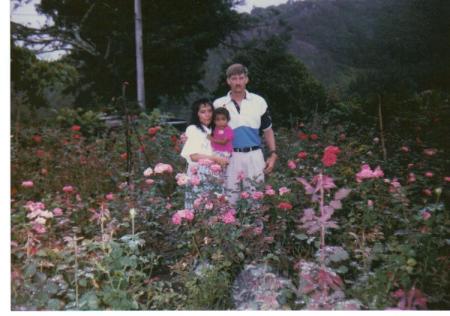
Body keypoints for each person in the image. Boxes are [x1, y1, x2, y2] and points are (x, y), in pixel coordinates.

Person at [213, 63, 277, 204]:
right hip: (229, 157)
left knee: (256, 200)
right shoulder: (218, 104)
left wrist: (273, 154)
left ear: (246, 79)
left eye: (241, 78)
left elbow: (268, 130)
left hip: (254, 156)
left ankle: (256, 227)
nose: (238, 82)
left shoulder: (259, 101)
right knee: (229, 200)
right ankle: (230, 226)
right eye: (234, 79)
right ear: (228, 81)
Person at [180, 98, 229, 209]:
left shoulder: (215, 129)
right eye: (203, 112)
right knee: (198, 208)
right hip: (198, 175)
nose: (207, 114)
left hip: (215, 175)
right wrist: (215, 158)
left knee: (216, 209)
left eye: (209, 111)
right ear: (197, 114)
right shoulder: (193, 129)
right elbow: (193, 156)